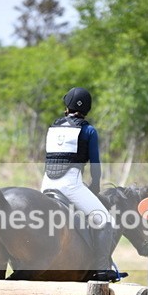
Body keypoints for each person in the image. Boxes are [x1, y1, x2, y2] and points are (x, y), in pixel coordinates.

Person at [41, 87, 119, 282]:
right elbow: (95, 165)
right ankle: (101, 269)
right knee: (104, 220)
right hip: (71, 185)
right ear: (87, 109)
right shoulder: (88, 130)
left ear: (67, 106)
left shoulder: (53, 127)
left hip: (47, 184)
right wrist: (95, 187)